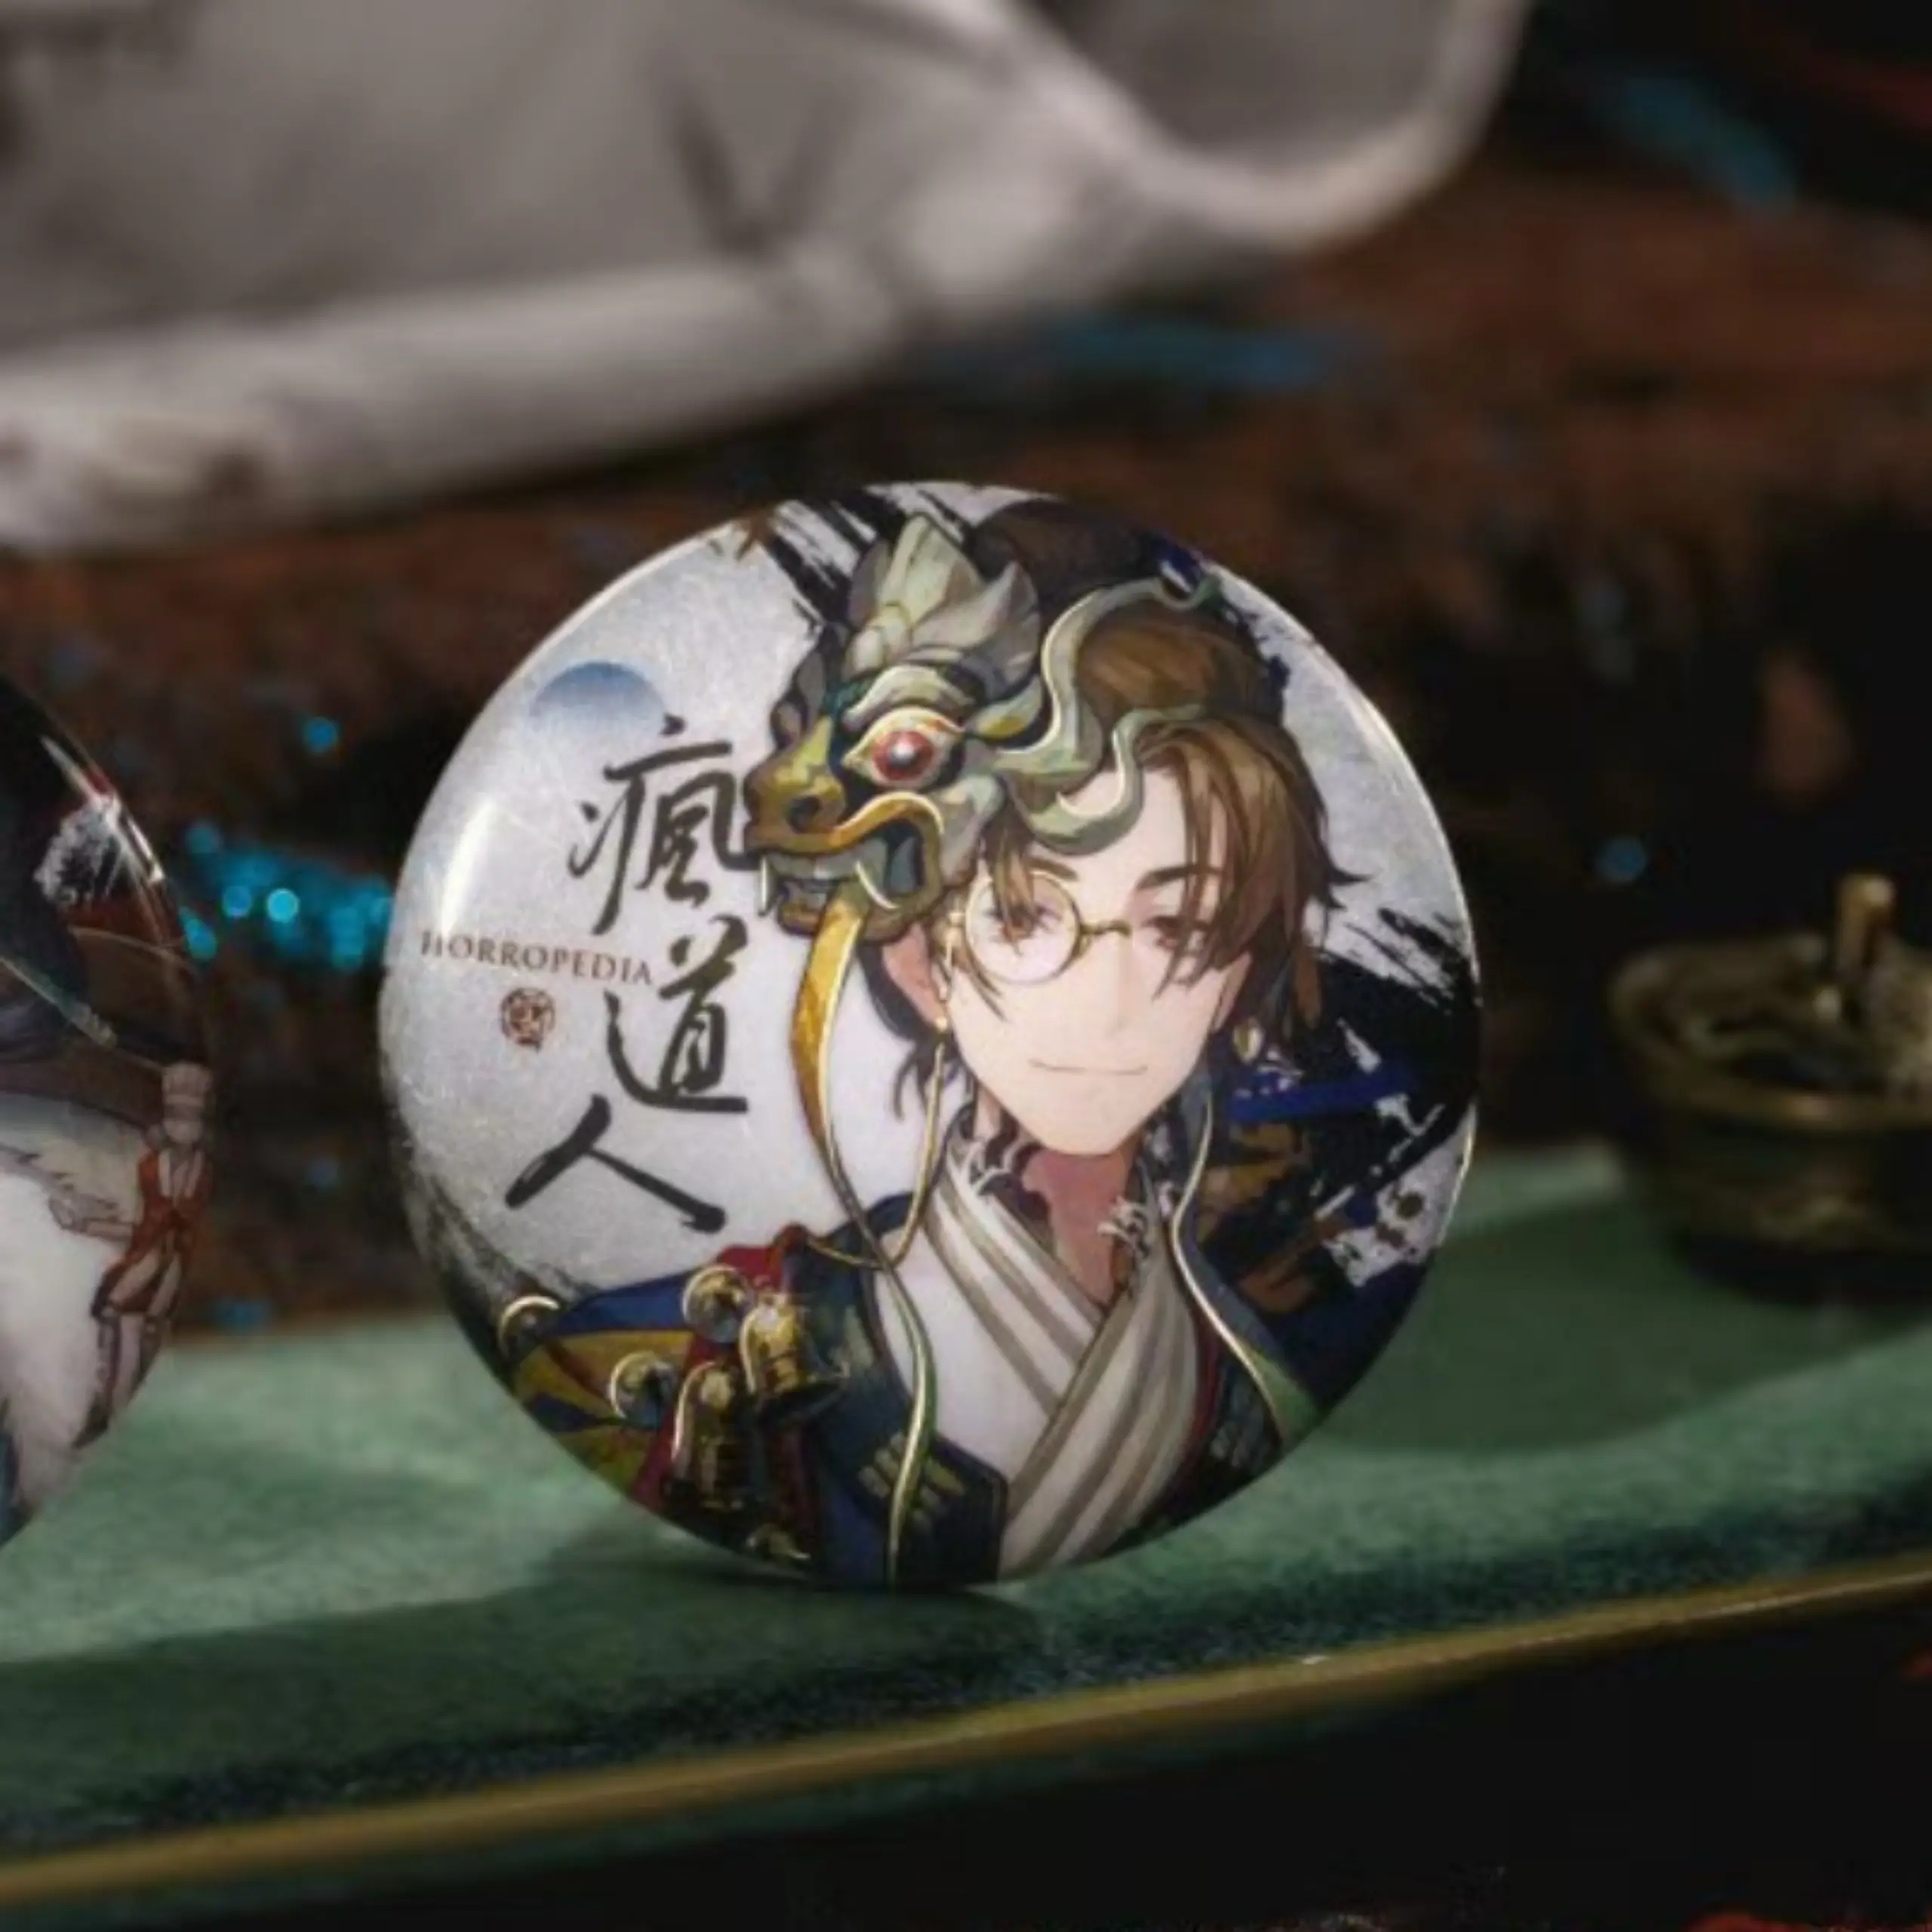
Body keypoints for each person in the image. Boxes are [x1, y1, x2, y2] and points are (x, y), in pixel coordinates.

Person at [507, 506, 1354, 1586]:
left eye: (1180, 927)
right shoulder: (677, 1358)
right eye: (1026, 917)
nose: (1108, 1003)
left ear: (1236, 976)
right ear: (922, 962)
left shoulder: (1251, 1388)